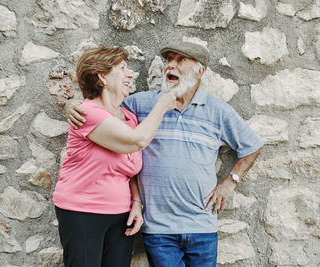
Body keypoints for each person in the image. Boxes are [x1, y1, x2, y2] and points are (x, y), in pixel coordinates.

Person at [66, 41, 262, 267]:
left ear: (200, 71)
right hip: (159, 229)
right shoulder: (138, 104)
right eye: (168, 60)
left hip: (202, 226)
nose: (171, 66)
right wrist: (71, 105)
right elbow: (101, 109)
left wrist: (230, 182)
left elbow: (252, 145)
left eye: (181, 60)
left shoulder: (218, 111)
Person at [53, 46, 176, 267]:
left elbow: (128, 172)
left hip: (121, 215)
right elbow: (137, 141)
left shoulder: (128, 116)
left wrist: (136, 203)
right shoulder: (87, 112)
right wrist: (162, 105)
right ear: (102, 77)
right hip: (83, 211)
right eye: (122, 68)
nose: (131, 74)